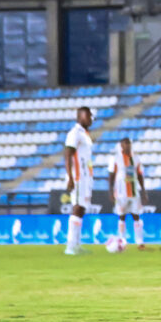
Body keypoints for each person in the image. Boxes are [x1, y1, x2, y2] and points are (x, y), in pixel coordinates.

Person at [63, 106, 94, 256]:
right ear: (80, 116)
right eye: (88, 116)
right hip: (78, 176)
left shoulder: (85, 134)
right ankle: (70, 246)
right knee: (77, 208)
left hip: (86, 176)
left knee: (81, 209)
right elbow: (68, 155)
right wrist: (70, 177)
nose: (90, 119)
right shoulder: (74, 133)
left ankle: (77, 245)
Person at [108, 137, 147, 250]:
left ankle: (140, 242)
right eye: (125, 144)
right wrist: (111, 191)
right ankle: (122, 241)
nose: (127, 146)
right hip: (121, 192)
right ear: (121, 146)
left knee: (136, 215)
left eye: (129, 144)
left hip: (134, 192)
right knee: (122, 216)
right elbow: (111, 176)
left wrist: (143, 191)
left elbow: (139, 175)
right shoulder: (115, 158)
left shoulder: (135, 158)